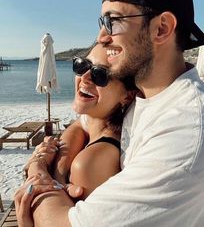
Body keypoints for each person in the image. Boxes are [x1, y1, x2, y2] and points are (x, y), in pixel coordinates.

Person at [15, 0, 204, 226]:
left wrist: (37, 176)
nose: (102, 36)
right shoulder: (146, 94)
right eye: (102, 22)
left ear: (162, 28)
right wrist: (55, 168)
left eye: (114, 20)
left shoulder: (187, 127)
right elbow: (82, 123)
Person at [15, 42, 136, 226]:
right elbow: (78, 125)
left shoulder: (89, 163)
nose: (85, 77)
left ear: (127, 95)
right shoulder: (95, 128)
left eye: (100, 74)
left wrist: (37, 166)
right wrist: (58, 172)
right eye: (82, 65)